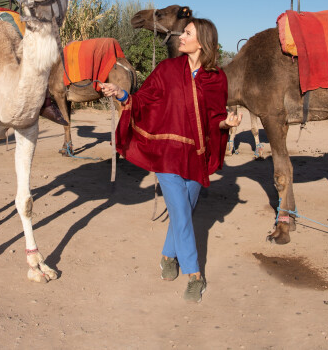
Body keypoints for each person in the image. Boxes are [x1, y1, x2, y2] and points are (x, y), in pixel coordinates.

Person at [100, 18, 241, 303]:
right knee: (179, 207)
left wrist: (227, 122)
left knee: (182, 211)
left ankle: (168, 254)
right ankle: (195, 275)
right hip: (166, 154)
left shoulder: (216, 78)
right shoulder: (167, 70)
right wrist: (122, 93)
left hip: (196, 156)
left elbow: (215, 120)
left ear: (202, 41)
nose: (181, 36)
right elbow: (144, 99)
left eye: (188, 33)